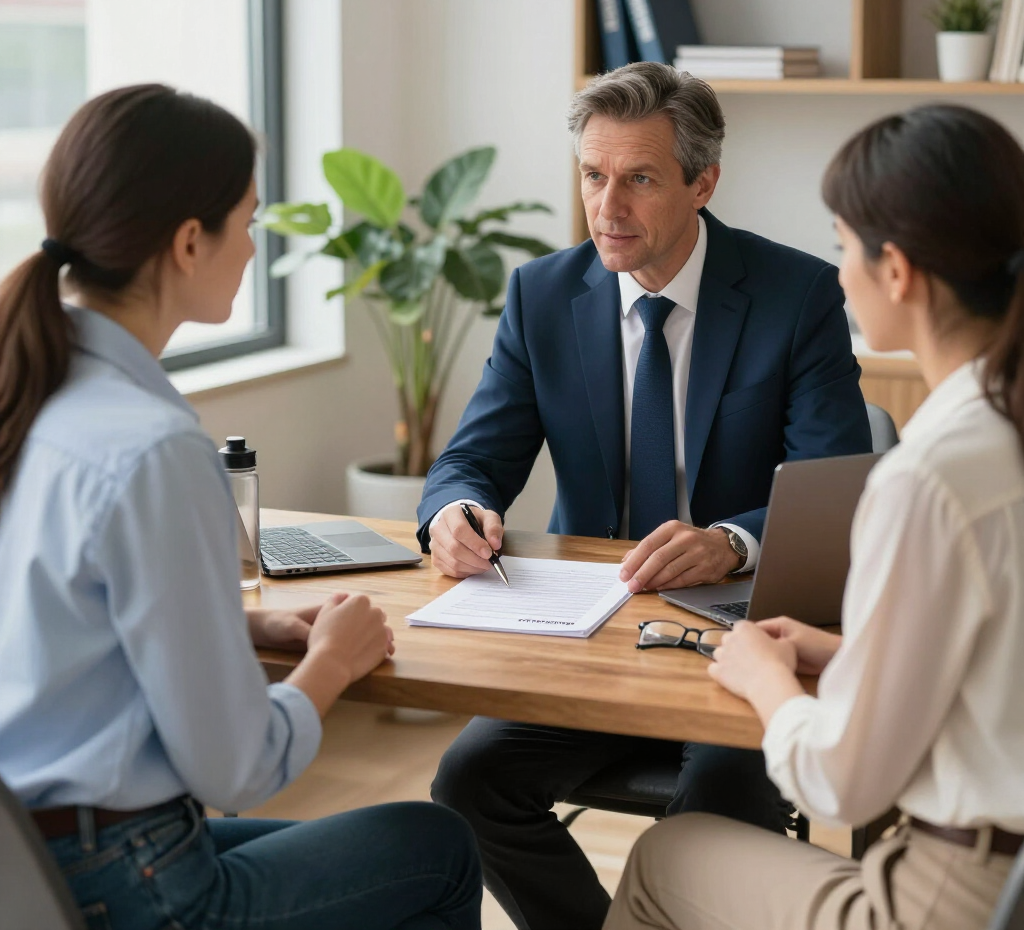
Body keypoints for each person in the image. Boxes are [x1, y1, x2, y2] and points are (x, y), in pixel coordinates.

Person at [0, 84, 482, 930]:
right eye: (250, 220)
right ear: (190, 242)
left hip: (35, 867)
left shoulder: (28, 392)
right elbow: (238, 769)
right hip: (132, 883)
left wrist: (242, 626)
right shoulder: (152, 446)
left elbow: (54, 628)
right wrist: (331, 659)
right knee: (436, 847)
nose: (255, 247)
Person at [420, 62, 872, 930]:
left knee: (709, 818)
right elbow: (474, 456)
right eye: (594, 176)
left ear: (703, 183)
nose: (608, 207)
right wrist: (455, 511)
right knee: (466, 785)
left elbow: (836, 490)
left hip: (741, 644)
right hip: (587, 635)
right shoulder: (544, 295)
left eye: (639, 179)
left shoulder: (797, 294)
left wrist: (733, 541)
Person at [604, 103, 1024, 930]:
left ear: (895, 270)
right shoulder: (997, 436)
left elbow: (840, 781)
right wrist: (844, 652)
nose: (838, 274)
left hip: (951, 895)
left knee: (666, 855)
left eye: (843, 248)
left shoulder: (925, 481)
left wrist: (763, 679)